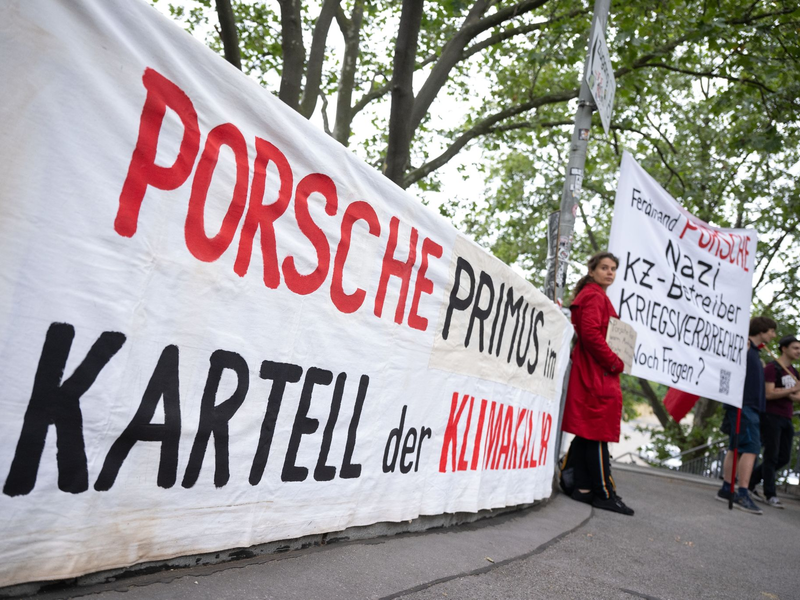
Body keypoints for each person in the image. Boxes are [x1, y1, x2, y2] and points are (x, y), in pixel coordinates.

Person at [559, 252, 633, 516]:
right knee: (598, 432)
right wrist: (614, 361)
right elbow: (590, 333)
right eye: (604, 268)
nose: (610, 272)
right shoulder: (593, 296)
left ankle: (582, 489)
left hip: (593, 369)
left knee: (589, 431)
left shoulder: (594, 295)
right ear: (592, 271)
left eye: (613, 269)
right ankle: (603, 493)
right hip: (596, 371)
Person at [715, 316, 777, 515]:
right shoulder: (745, 346)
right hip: (744, 406)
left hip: (746, 406)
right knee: (750, 448)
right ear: (762, 330)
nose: (773, 335)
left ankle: (727, 488)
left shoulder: (756, 352)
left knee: (736, 446)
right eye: (771, 331)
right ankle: (742, 492)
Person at [748, 335, 800, 508]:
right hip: (771, 416)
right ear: (784, 348)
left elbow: (796, 397)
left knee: (784, 457)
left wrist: (791, 392)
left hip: (786, 417)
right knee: (771, 455)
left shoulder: (793, 371)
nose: (798, 351)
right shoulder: (772, 368)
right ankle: (771, 494)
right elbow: (768, 394)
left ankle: (750, 480)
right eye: (795, 347)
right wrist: (791, 390)